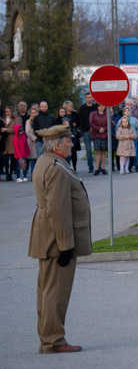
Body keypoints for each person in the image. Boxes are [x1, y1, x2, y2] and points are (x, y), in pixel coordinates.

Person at [28, 122, 91, 354]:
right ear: (57, 144)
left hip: (47, 235)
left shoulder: (46, 162)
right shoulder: (55, 167)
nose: (72, 144)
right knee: (56, 291)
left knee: (47, 290)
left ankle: (48, 338)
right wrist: (66, 246)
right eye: (69, 141)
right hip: (56, 239)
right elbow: (59, 209)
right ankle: (53, 341)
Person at [78, 93, 97, 173]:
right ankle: (90, 166)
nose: (89, 99)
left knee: (97, 149)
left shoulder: (95, 107)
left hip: (96, 130)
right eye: (87, 97)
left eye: (90, 97)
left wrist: (94, 127)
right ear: (85, 98)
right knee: (88, 149)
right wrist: (89, 128)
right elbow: (81, 120)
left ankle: (98, 166)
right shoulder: (82, 108)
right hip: (86, 130)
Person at [89, 104, 109, 175]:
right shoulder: (93, 114)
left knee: (103, 151)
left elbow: (109, 123)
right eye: (100, 106)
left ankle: (103, 168)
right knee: (97, 151)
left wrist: (104, 129)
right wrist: (98, 129)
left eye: (103, 106)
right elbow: (91, 123)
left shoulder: (107, 114)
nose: (101, 108)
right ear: (97, 107)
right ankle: (96, 168)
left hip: (104, 134)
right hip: (96, 134)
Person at [62, 101, 82, 172]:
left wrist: (75, 125)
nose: (71, 107)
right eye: (70, 106)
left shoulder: (75, 114)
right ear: (66, 107)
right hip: (66, 135)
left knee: (74, 152)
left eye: (72, 106)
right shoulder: (63, 115)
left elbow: (79, 123)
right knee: (67, 152)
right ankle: (67, 166)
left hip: (74, 135)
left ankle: (74, 167)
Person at [25, 105, 40, 179]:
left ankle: (39, 175)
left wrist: (39, 138)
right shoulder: (28, 122)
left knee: (39, 160)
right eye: (32, 113)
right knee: (32, 160)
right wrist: (34, 139)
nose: (34, 114)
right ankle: (33, 175)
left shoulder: (40, 120)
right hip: (31, 142)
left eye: (35, 112)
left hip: (40, 141)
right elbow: (27, 132)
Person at [1, 106, 16, 181]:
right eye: (6, 111)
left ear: (11, 112)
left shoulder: (15, 120)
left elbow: (16, 129)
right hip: (4, 141)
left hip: (12, 140)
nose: (8, 113)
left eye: (9, 111)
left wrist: (7, 129)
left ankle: (10, 174)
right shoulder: (2, 120)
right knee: (5, 159)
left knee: (13, 158)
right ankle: (7, 174)